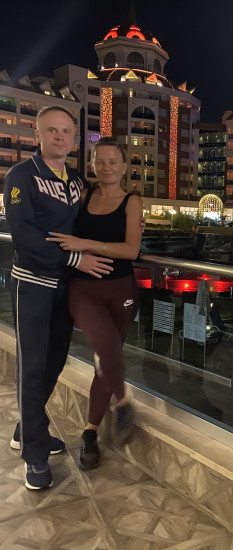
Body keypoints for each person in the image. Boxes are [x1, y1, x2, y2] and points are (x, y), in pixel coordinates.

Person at [4, 106, 114, 490]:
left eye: (66, 131)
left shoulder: (76, 180)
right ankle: (34, 455)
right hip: (32, 285)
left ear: (74, 138)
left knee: (53, 363)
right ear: (39, 134)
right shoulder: (21, 176)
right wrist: (75, 259)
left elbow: (87, 223)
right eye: (52, 130)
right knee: (32, 368)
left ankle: (27, 427)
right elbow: (24, 236)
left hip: (66, 288)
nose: (60, 137)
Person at [48, 137, 143, 470]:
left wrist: (85, 243)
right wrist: (77, 248)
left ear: (124, 166)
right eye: (100, 161)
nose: (106, 167)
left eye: (113, 161)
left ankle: (90, 432)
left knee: (106, 360)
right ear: (91, 164)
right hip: (83, 288)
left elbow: (131, 250)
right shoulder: (82, 197)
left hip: (121, 289)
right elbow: (59, 233)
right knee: (106, 346)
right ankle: (123, 401)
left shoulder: (132, 201)